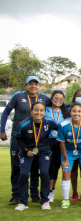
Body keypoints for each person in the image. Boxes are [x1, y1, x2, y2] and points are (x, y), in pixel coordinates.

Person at [1, 76, 50, 205]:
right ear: (26, 85)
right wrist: (2, 129)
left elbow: (57, 105)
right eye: (31, 84)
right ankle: (16, 194)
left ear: (39, 86)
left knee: (35, 167)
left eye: (36, 84)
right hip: (19, 137)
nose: (33, 86)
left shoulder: (44, 98)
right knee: (17, 166)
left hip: (37, 139)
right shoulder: (18, 96)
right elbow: (5, 112)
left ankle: (34, 194)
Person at [14, 102, 58, 210]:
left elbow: (59, 129)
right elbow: (19, 138)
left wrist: (50, 144)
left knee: (44, 173)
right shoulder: (23, 124)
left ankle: (45, 201)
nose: (39, 112)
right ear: (31, 111)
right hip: (27, 152)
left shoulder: (50, 122)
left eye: (41, 110)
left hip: (43, 152)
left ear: (44, 112)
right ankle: (23, 202)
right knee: (24, 174)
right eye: (36, 110)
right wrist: (26, 150)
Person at [57, 102, 81, 209]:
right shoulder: (63, 125)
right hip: (69, 152)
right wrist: (65, 159)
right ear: (70, 112)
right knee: (66, 173)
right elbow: (62, 143)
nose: (76, 113)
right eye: (74, 111)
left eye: (79, 111)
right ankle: (65, 200)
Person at [45, 90, 69, 202]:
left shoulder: (65, 113)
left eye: (60, 99)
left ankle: (52, 191)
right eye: (56, 98)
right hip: (47, 140)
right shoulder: (45, 110)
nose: (58, 100)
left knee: (56, 167)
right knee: (49, 167)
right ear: (51, 99)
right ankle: (47, 191)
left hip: (60, 142)